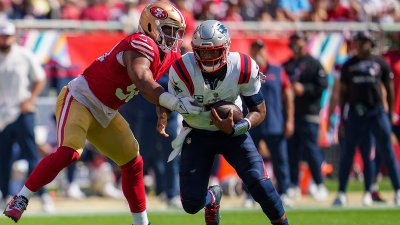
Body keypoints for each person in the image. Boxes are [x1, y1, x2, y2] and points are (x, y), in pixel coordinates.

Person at [3, 2, 202, 224]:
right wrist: (172, 103)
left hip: (106, 111)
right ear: (150, 25)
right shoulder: (140, 42)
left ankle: (142, 223)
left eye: (176, 31)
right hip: (79, 99)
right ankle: (20, 198)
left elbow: (154, 85)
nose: (173, 36)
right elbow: (142, 79)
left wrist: (162, 107)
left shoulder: (169, 54)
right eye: (167, 29)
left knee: (133, 163)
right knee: (70, 152)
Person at [167, 20, 289, 225]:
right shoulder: (182, 69)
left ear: (225, 48)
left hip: (232, 133)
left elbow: (259, 111)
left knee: (261, 185)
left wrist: (236, 128)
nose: (207, 57)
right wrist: (163, 110)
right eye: (202, 52)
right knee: (191, 203)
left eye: (213, 51)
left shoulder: (243, 66)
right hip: (197, 133)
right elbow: (166, 98)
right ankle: (212, 198)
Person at [339, 31, 400, 206]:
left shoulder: (380, 62)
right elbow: (343, 93)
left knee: (387, 151)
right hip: (356, 113)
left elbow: (389, 90)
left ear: (370, 43)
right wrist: (343, 118)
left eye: (364, 41)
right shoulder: (348, 65)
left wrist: (388, 116)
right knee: (348, 153)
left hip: (376, 112)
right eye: (358, 41)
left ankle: (397, 191)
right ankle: (342, 193)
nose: (361, 45)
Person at [0, 20, 54, 212]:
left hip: (23, 112)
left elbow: (39, 78)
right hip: (3, 115)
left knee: (32, 155)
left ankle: (43, 196)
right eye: (2, 36)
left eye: (7, 36)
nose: (4, 39)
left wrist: (30, 100)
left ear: (14, 36)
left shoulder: (24, 55)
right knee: (3, 158)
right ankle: (3, 195)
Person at [120, 74, 181, 208]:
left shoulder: (171, 65)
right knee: (140, 158)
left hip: (169, 117)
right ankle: (135, 194)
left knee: (171, 156)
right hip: (147, 117)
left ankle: (172, 194)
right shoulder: (146, 63)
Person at [246, 39, 294, 207]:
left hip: (274, 122)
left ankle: (285, 191)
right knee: (249, 160)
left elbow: (288, 95)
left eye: (261, 49)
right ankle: (249, 195)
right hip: (253, 122)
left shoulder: (277, 70)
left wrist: (289, 120)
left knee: (280, 159)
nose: (258, 53)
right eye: (255, 50)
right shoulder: (247, 72)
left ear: (265, 51)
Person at [283, 32, 329, 200]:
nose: (296, 44)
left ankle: (319, 183)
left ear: (304, 42)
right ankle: (294, 184)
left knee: (311, 150)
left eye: (299, 40)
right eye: (294, 40)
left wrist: (305, 89)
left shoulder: (314, 63)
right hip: (291, 115)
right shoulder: (287, 65)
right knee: (291, 150)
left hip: (309, 114)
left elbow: (323, 84)